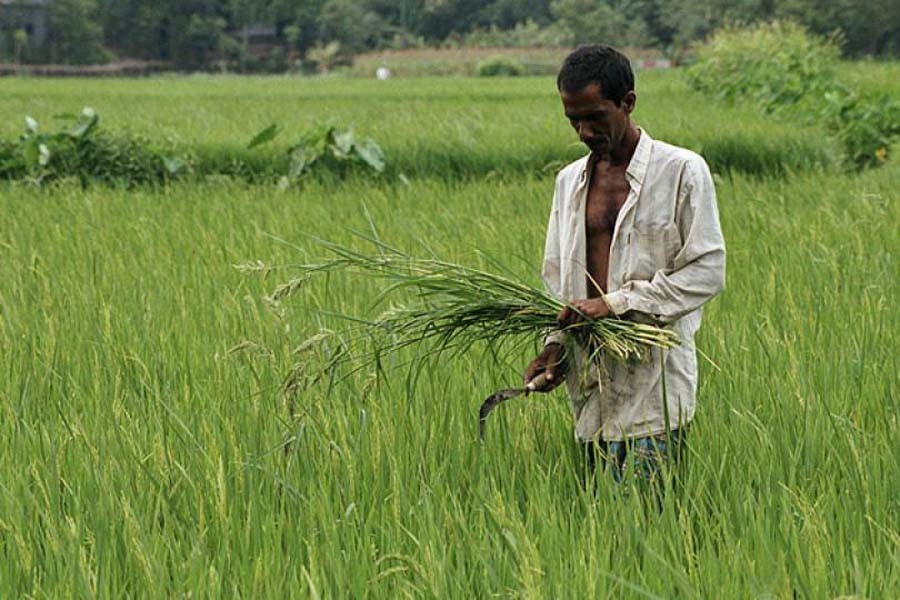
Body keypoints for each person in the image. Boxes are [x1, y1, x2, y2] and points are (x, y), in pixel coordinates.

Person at [523, 45, 726, 487]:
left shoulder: (682, 172)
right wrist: (555, 345)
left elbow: (707, 271)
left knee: (649, 519)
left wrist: (614, 304)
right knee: (600, 524)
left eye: (595, 116)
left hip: (654, 383)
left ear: (628, 102)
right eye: (573, 120)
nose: (583, 131)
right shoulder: (569, 183)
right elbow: (558, 278)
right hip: (591, 385)